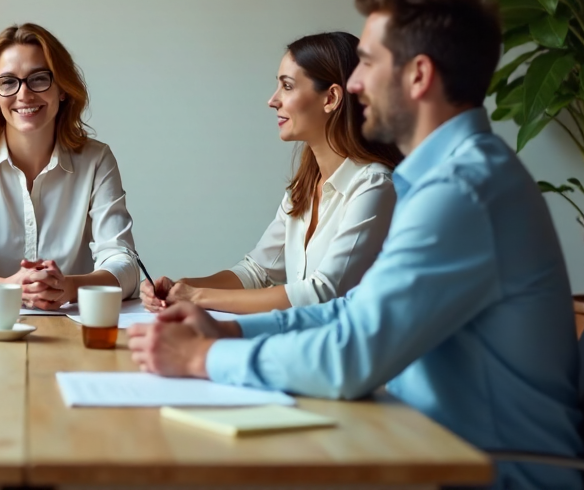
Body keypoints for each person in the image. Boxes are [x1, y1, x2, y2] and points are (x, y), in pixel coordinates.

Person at [128, 0, 581, 490]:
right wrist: (229, 332)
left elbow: (353, 354)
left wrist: (202, 357)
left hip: (487, 472)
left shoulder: (460, 191)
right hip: (420, 447)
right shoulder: (442, 177)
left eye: (367, 61)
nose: (357, 84)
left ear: (418, 76)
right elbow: (354, 311)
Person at [140, 32, 401, 314]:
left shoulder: (374, 186)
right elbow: (257, 272)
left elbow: (322, 292)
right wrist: (180, 287)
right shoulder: (303, 187)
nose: (272, 100)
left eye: (287, 87)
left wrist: (198, 297)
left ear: (331, 98)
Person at [0, 23, 140, 308]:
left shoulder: (96, 160)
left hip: (70, 330)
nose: (24, 94)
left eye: (39, 79)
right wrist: (4, 288)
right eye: (8, 82)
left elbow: (126, 264)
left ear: (62, 89)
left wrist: (68, 287)